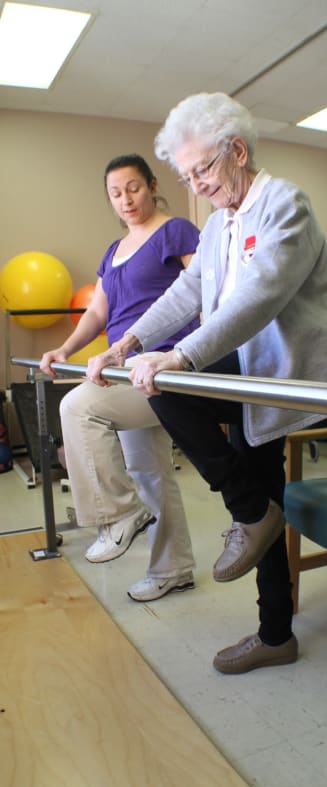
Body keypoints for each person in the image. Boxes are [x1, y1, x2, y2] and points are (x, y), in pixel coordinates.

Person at [86, 93, 327, 674]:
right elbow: (183, 294)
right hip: (246, 370)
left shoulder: (286, 204)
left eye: (202, 169)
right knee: (257, 493)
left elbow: (259, 299)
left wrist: (179, 355)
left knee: (191, 403)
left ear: (237, 150)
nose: (196, 184)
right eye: (186, 175)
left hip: (287, 373)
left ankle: (270, 610)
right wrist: (130, 343)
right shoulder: (219, 224)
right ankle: (270, 604)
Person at [40, 153, 200, 602]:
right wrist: (65, 349)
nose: (125, 199)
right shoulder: (113, 251)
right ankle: (174, 569)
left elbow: (205, 289)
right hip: (121, 363)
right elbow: (98, 311)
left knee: (78, 407)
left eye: (133, 187)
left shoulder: (177, 230)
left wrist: (192, 354)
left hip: (161, 365)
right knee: (150, 471)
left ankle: (119, 513)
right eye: (115, 192)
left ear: (151, 185)